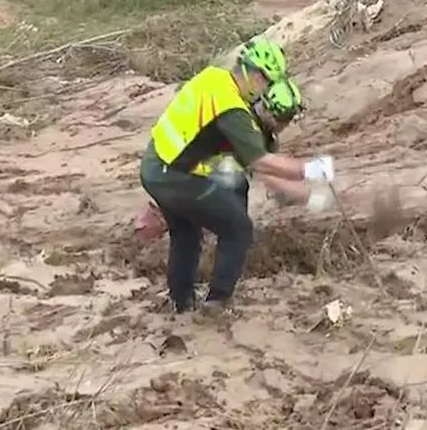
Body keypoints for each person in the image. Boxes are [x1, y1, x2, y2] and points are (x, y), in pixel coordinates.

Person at [138, 37, 336, 315]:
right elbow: (262, 163)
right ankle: (216, 304)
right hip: (175, 175)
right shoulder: (233, 111)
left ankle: (181, 304)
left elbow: (259, 171)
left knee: (187, 233)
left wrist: (306, 196)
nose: (264, 88)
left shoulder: (214, 78)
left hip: (156, 163)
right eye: (266, 82)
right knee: (238, 229)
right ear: (256, 75)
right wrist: (313, 171)